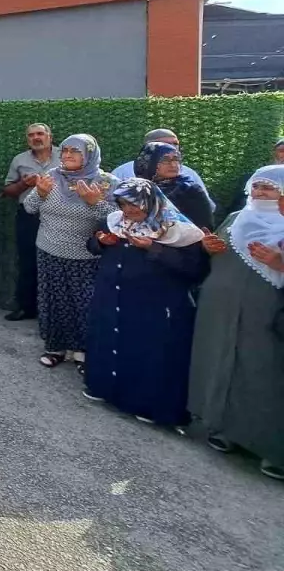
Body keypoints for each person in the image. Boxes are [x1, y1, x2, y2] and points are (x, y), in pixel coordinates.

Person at [84, 178, 209, 427]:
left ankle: (146, 405)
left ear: (151, 202)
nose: (128, 210)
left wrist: (154, 248)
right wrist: (101, 241)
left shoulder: (181, 231)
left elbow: (195, 270)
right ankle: (106, 390)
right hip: (114, 296)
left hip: (154, 305)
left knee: (148, 352)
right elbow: (92, 245)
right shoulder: (115, 222)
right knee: (111, 341)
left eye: (134, 204)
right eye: (123, 204)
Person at [190, 166, 284, 482]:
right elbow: (217, 251)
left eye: (268, 189)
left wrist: (278, 263)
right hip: (223, 309)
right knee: (225, 364)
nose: (259, 193)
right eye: (256, 187)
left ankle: (273, 450)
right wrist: (208, 247)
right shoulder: (235, 220)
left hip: (266, 315)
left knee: (264, 373)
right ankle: (225, 428)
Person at [23, 134, 116, 370]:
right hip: (48, 249)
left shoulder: (105, 182)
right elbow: (29, 207)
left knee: (84, 304)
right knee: (52, 301)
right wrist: (41, 194)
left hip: (85, 256)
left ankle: (83, 351)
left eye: (74, 151)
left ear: (89, 154)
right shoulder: (52, 176)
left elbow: (116, 220)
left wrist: (94, 202)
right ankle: (55, 348)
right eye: (64, 151)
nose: (67, 156)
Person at [2, 124, 60, 321]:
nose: (36, 138)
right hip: (29, 216)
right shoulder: (20, 160)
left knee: (57, 262)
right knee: (27, 260)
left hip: (59, 217)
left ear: (50, 137)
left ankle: (54, 312)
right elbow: (7, 191)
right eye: (31, 135)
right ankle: (26, 307)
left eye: (40, 134)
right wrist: (24, 184)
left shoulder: (65, 156)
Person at [111, 128, 214, 211]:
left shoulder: (189, 175)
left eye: (175, 144)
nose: (171, 147)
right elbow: (113, 205)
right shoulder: (123, 172)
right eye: (164, 143)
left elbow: (208, 209)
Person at [133, 141, 214, 231]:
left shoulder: (189, 190)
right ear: (148, 161)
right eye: (165, 160)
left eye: (176, 159)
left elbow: (205, 228)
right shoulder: (135, 189)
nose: (173, 164)